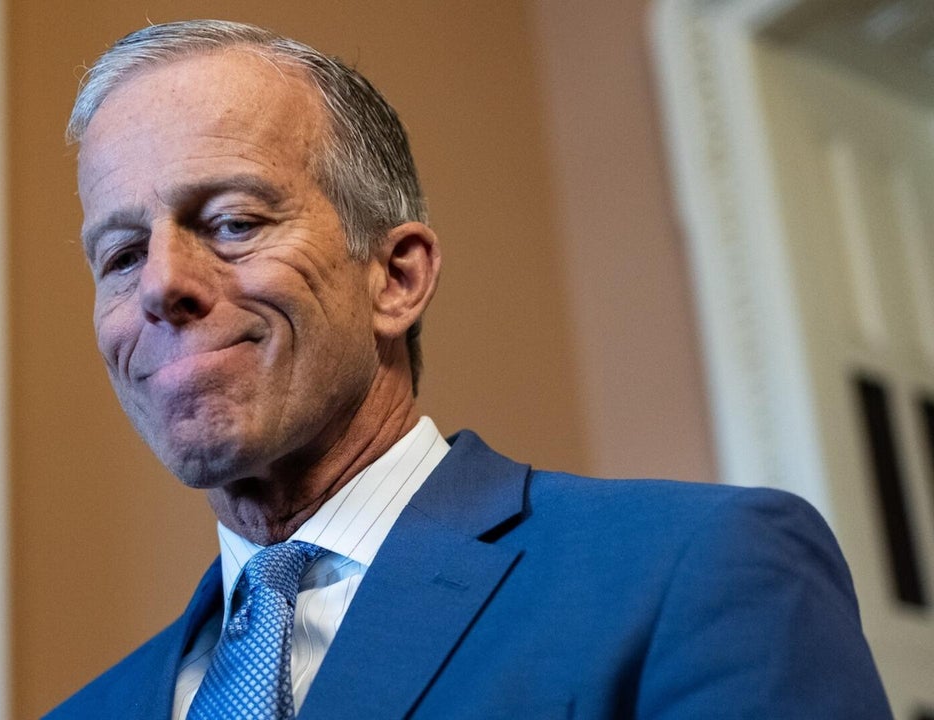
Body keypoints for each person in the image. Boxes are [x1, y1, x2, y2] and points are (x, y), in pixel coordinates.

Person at [46, 19, 890, 720]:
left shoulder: (700, 571)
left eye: (232, 222)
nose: (161, 284)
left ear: (396, 277)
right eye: (121, 255)